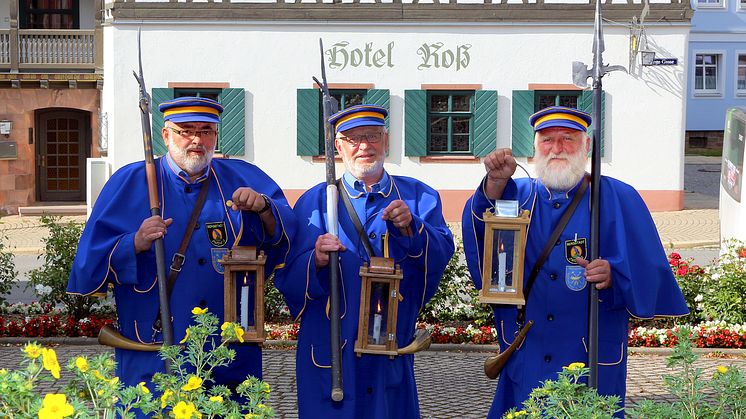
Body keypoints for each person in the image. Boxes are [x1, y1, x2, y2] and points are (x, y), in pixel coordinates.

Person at [462, 106, 689, 417]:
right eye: (547, 140)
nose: (557, 148)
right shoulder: (516, 195)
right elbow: (480, 240)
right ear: (535, 148)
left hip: (589, 351)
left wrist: (614, 274)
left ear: (587, 146)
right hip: (531, 349)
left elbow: (648, 271)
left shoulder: (618, 197)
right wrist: (493, 185)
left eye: (568, 139)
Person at [67, 97, 296, 395]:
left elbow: (286, 237)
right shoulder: (131, 181)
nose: (196, 140)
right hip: (154, 348)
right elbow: (88, 263)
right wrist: (133, 243)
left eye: (206, 131)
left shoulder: (243, 176)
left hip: (226, 352)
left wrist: (264, 208)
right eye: (185, 130)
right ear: (165, 135)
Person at [274, 105, 454, 418]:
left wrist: (413, 230)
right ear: (337, 146)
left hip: (390, 350)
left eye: (371, 136)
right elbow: (285, 276)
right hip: (330, 354)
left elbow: (439, 258)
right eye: (353, 139)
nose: (364, 146)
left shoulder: (419, 197)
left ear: (386, 141)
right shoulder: (312, 203)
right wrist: (314, 261)